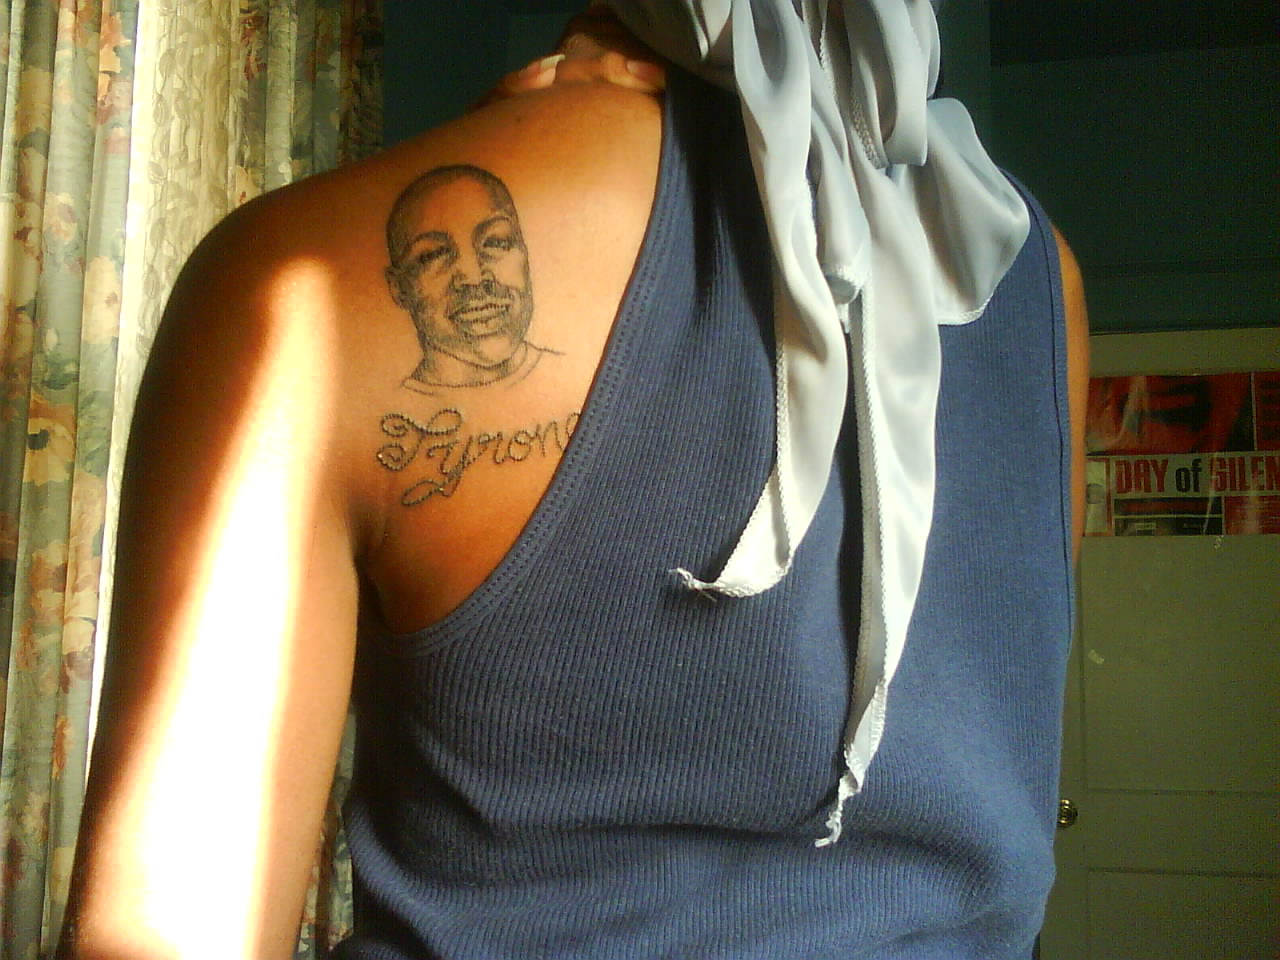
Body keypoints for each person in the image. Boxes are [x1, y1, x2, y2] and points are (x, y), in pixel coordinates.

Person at [60, 4, 1088, 959]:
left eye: (491, 248)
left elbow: (166, 930)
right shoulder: (1030, 274)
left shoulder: (307, 283)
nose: (473, 280)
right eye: (438, 259)